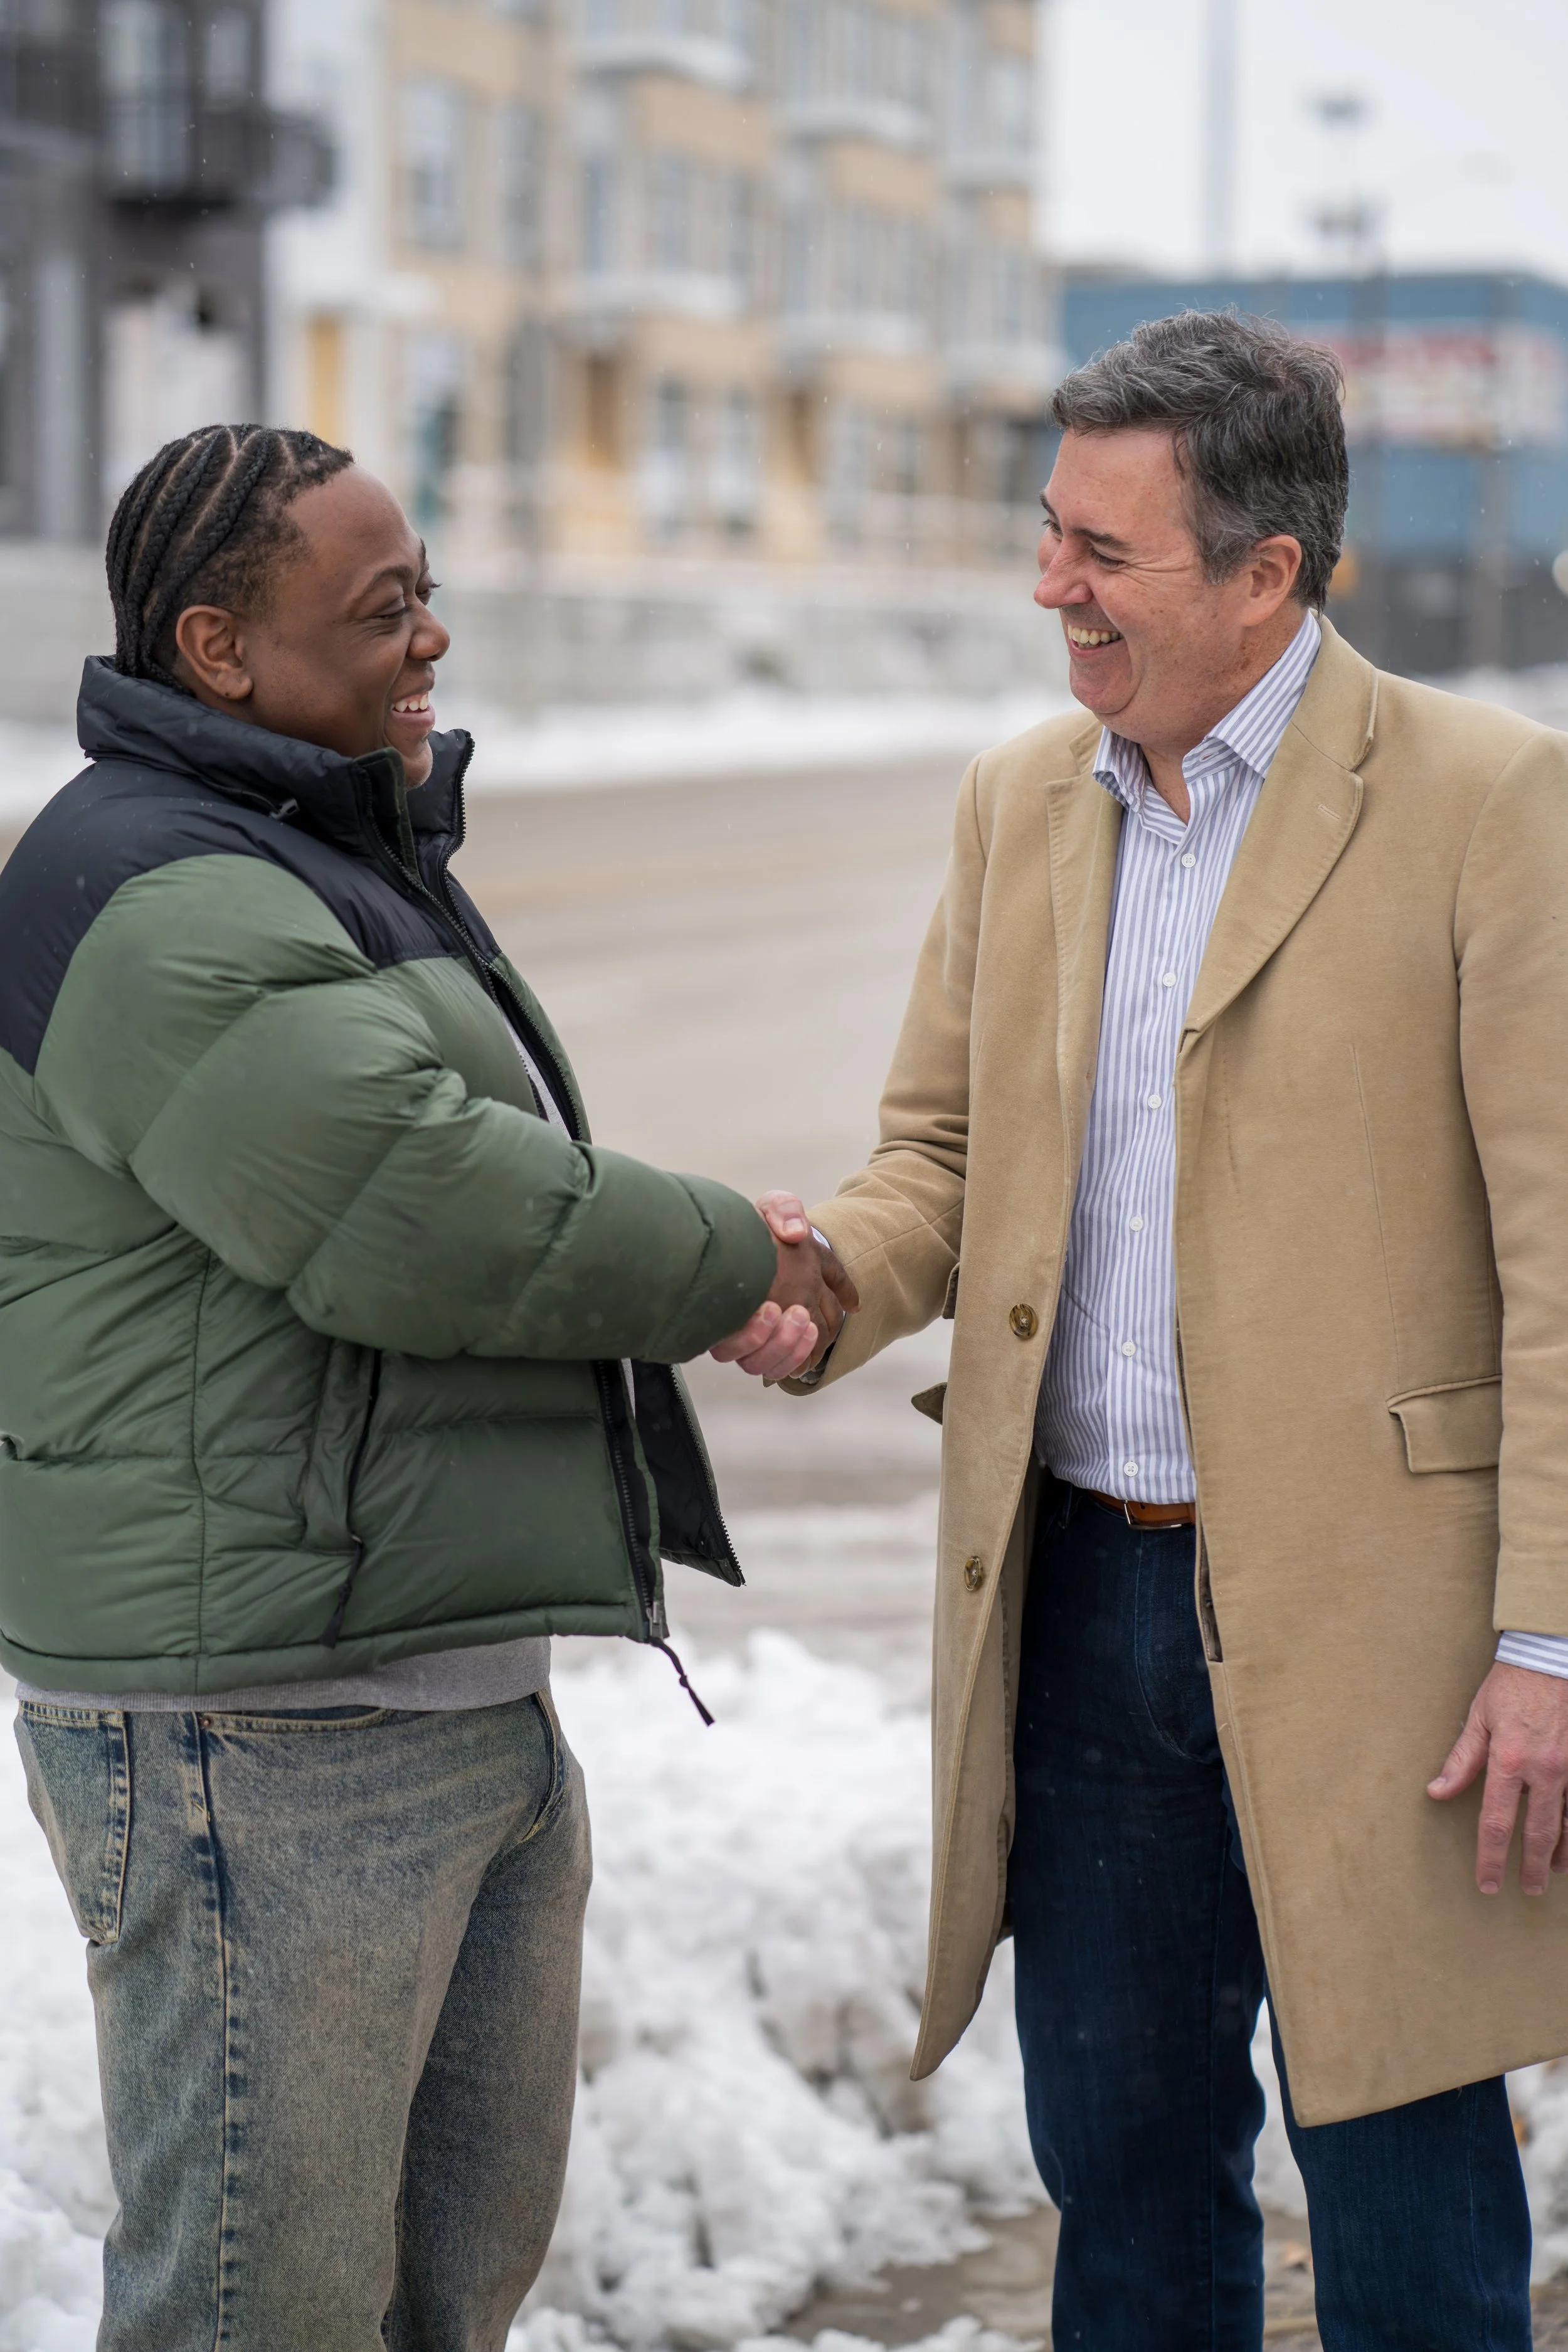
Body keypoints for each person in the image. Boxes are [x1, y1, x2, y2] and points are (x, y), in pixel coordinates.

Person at [719, 312, 1568, 2349]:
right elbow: (939, 1150)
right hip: (1084, 1602)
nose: (1049, 588)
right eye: (1047, 534)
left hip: (1392, 1634)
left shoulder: (1491, 803)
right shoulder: (1023, 803)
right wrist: (823, 1270)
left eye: (1103, 550)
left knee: (1401, 2188)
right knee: (1119, 2175)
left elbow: (1562, 1259)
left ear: (1267, 570)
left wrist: (1546, 1636)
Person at [0, 422, 819, 2352]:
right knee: (258, 2311)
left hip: (415, 1680)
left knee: (438, 2296)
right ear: (218, 647)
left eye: (425, 588)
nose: (430, 638)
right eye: (384, 609)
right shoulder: (148, 885)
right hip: (258, 1725)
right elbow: (426, 1210)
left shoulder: (311, 841)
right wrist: (737, 1263)